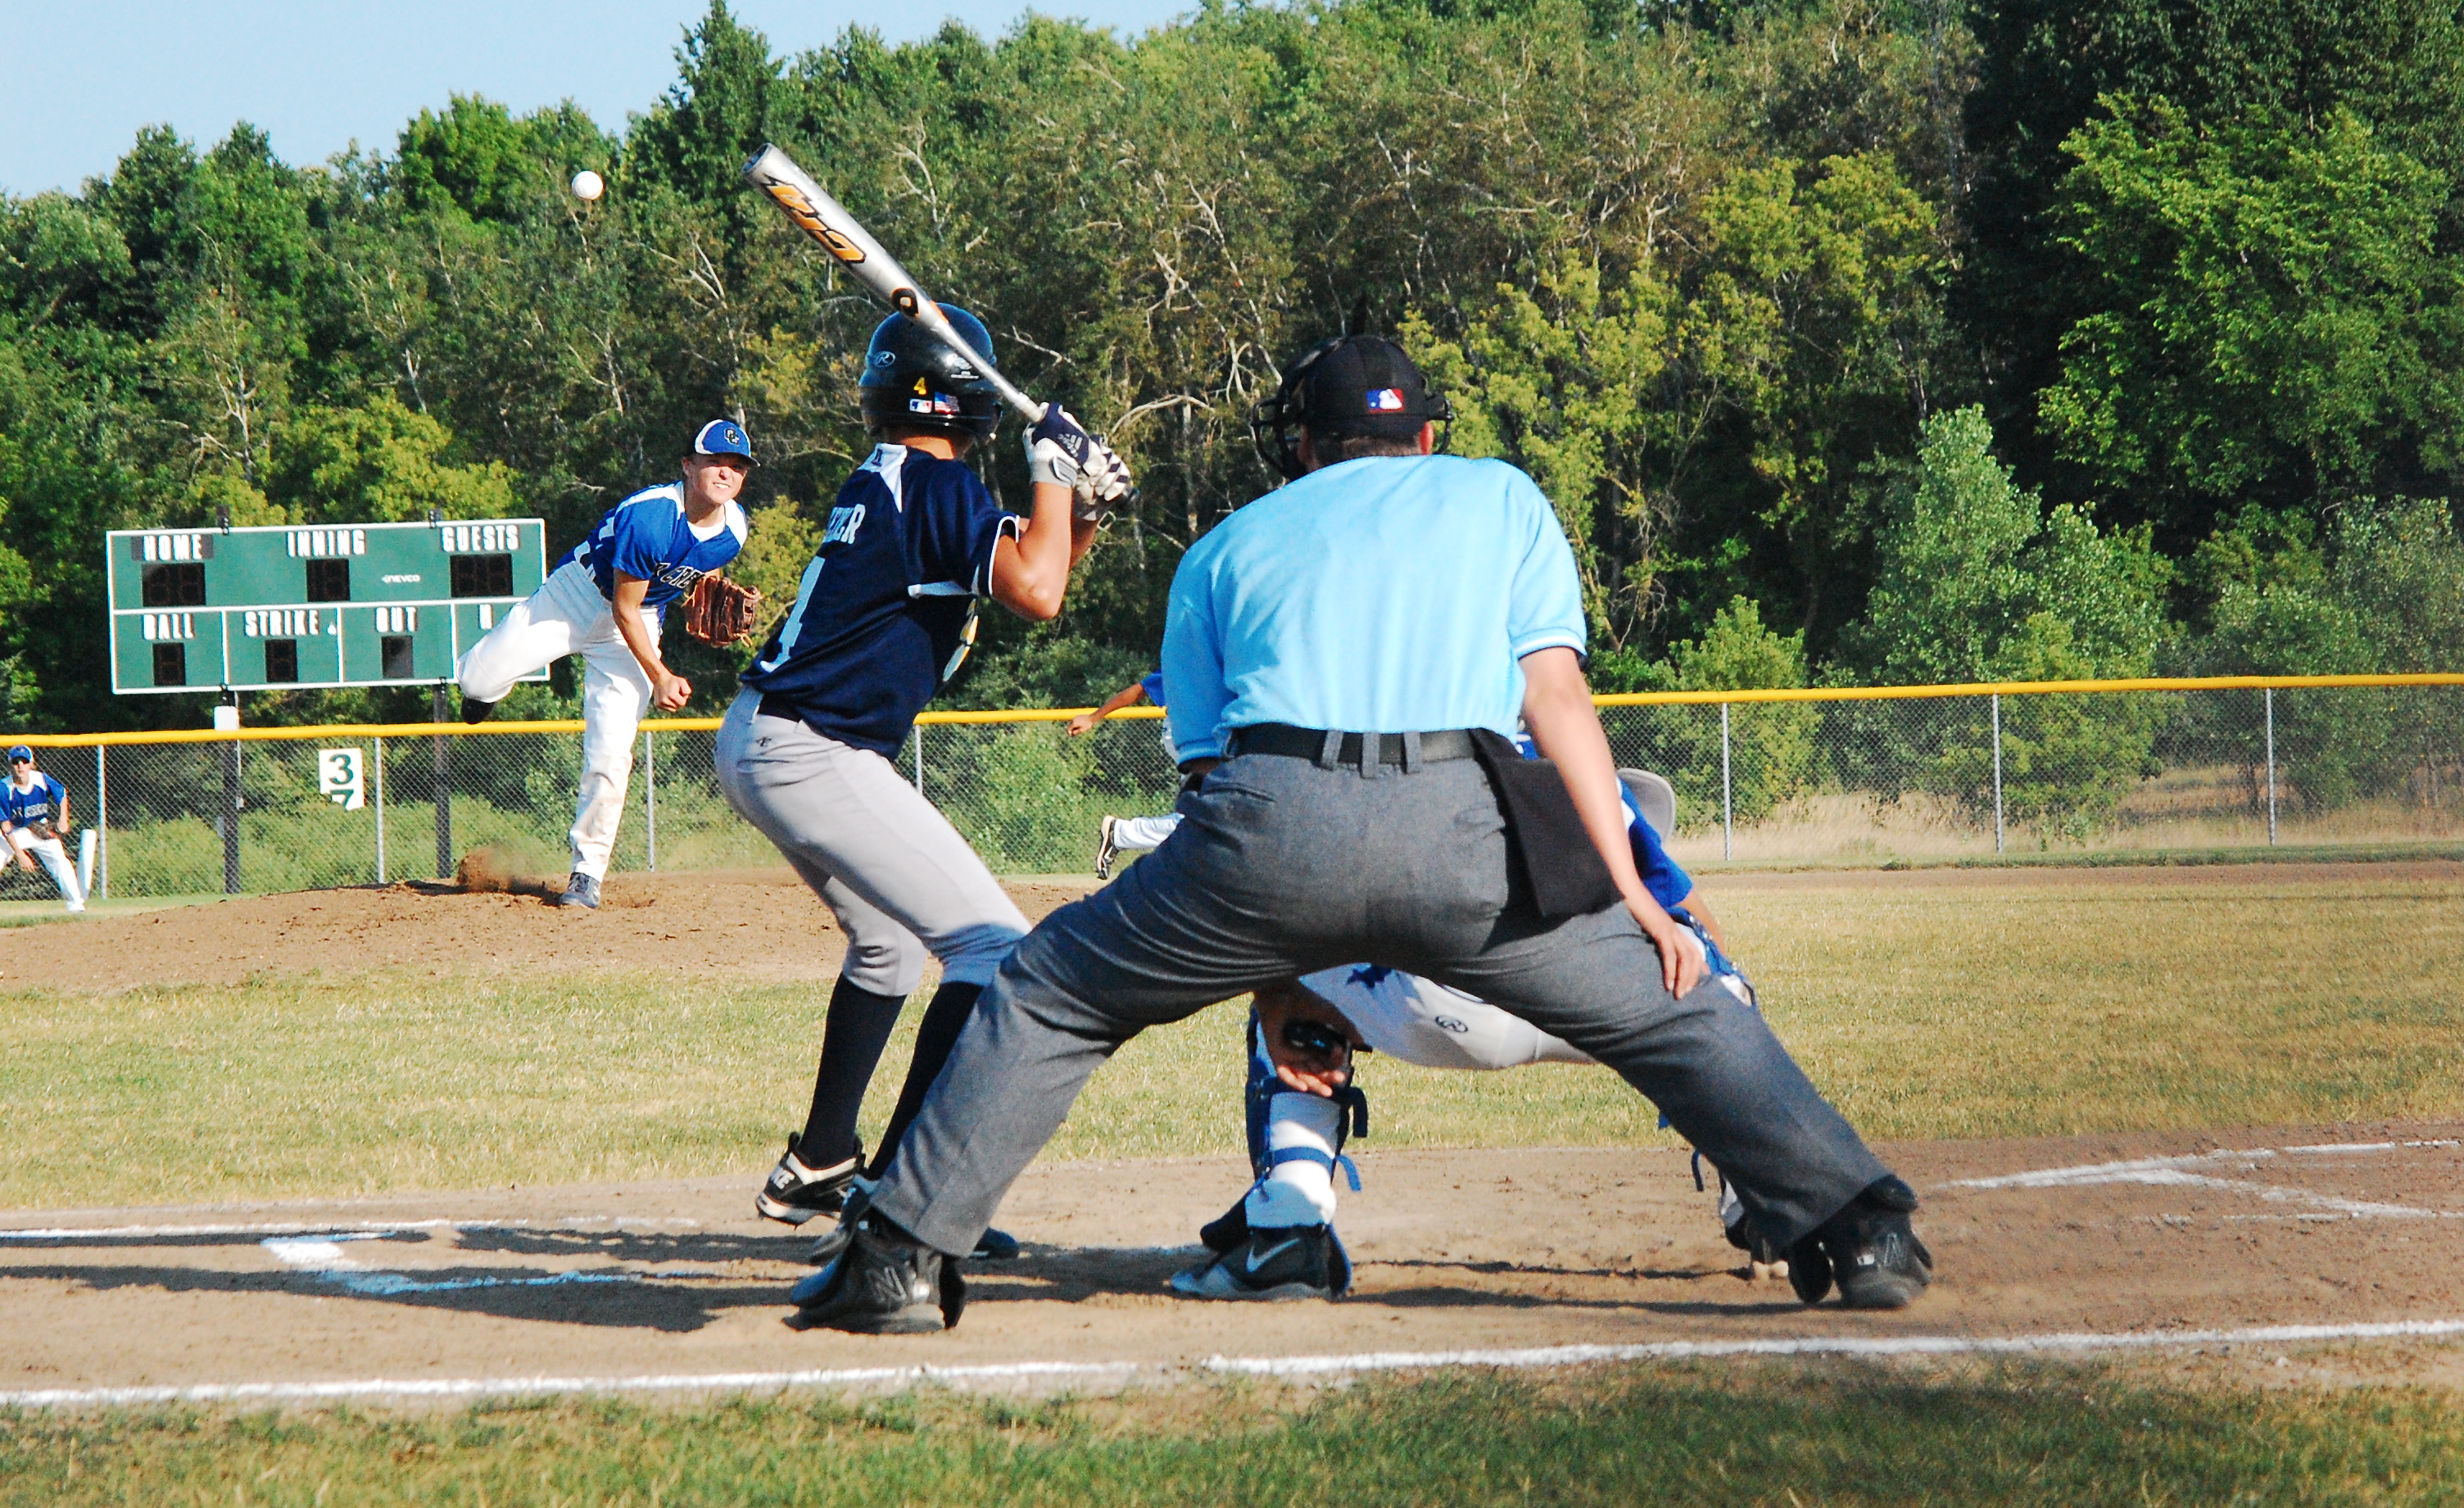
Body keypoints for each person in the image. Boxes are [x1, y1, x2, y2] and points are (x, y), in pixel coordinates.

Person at [790, 333, 1931, 1334]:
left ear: (1302, 444)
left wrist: (1275, 974)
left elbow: (1210, 781)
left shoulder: (1223, 546)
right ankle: (1860, 1225)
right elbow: (1557, 703)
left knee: (1047, 992)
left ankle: (899, 1258)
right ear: (1425, 436)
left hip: (1272, 820)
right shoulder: (1502, 496)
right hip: (1465, 829)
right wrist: (1635, 896)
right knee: (1670, 1006)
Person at [715, 305, 1130, 1260]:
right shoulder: (935, 483)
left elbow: (1031, 565)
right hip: (812, 747)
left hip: (773, 737)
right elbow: (1040, 592)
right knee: (995, 950)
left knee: (890, 944)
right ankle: (901, 1196)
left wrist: (1082, 507)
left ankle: (822, 1160)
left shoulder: (901, 478)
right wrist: (1051, 468)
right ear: (965, 396)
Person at [1171, 761, 1784, 1302]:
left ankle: (1289, 1217)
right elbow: (1695, 918)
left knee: (1292, 1001)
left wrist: (1281, 989)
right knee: (1722, 990)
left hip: (1433, 997)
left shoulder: (1387, 754)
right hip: (1589, 994)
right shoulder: (1571, 766)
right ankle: (1764, 1197)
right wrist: (1698, 1015)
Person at [455, 420, 755, 910]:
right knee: (475, 678)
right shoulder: (652, 516)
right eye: (715, 461)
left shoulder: (735, 529)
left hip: (638, 621)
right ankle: (484, 691)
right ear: (687, 466)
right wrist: (661, 675)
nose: (727, 472)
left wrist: (702, 592)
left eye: (738, 466)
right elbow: (622, 607)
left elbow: (703, 563)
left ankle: (586, 873)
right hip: (576, 599)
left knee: (612, 754)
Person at [1065, 671, 1180, 879]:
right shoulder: (1193, 658)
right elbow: (1141, 689)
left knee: (1209, 816)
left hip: (1199, 735)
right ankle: (1121, 834)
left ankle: (1121, 834)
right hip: (1189, 735)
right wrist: (1093, 717)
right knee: (1208, 816)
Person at [2, 745, 85, 913]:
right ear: (10, 765)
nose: (20, 766)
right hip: (14, 832)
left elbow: (61, 794)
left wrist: (63, 819)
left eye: (24, 761)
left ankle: (76, 905)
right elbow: (5, 826)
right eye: (16, 762)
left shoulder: (40, 779)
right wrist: (20, 854)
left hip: (39, 829)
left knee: (60, 861)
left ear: (31, 764)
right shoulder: (4, 788)